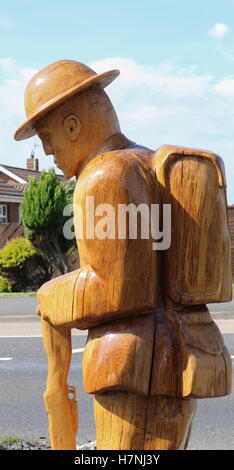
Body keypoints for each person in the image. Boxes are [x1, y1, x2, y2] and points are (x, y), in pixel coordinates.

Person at [14, 59, 232, 450]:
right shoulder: (145, 162)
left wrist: (50, 295)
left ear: (73, 126)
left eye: (47, 137)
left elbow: (117, 288)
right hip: (180, 357)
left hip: (133, 366)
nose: (47, 152)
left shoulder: (104, 176)